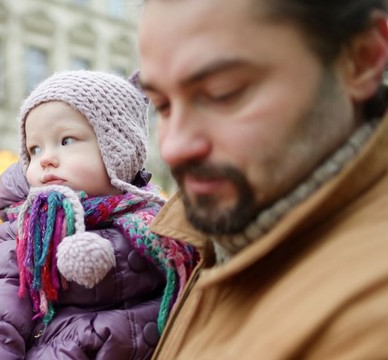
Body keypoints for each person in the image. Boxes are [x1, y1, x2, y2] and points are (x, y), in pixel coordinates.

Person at [137, 0, 388, 358]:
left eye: (224, 92)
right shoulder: (221, 236)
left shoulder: (371, 319)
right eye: (161, 105)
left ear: (362, 60)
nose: (174, 146)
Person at [0, 70, 197, 359]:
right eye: (34, 149)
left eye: (67, 140)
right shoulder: (28, 237)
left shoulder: (162, 226)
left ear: (120, 149)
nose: (45, 158)